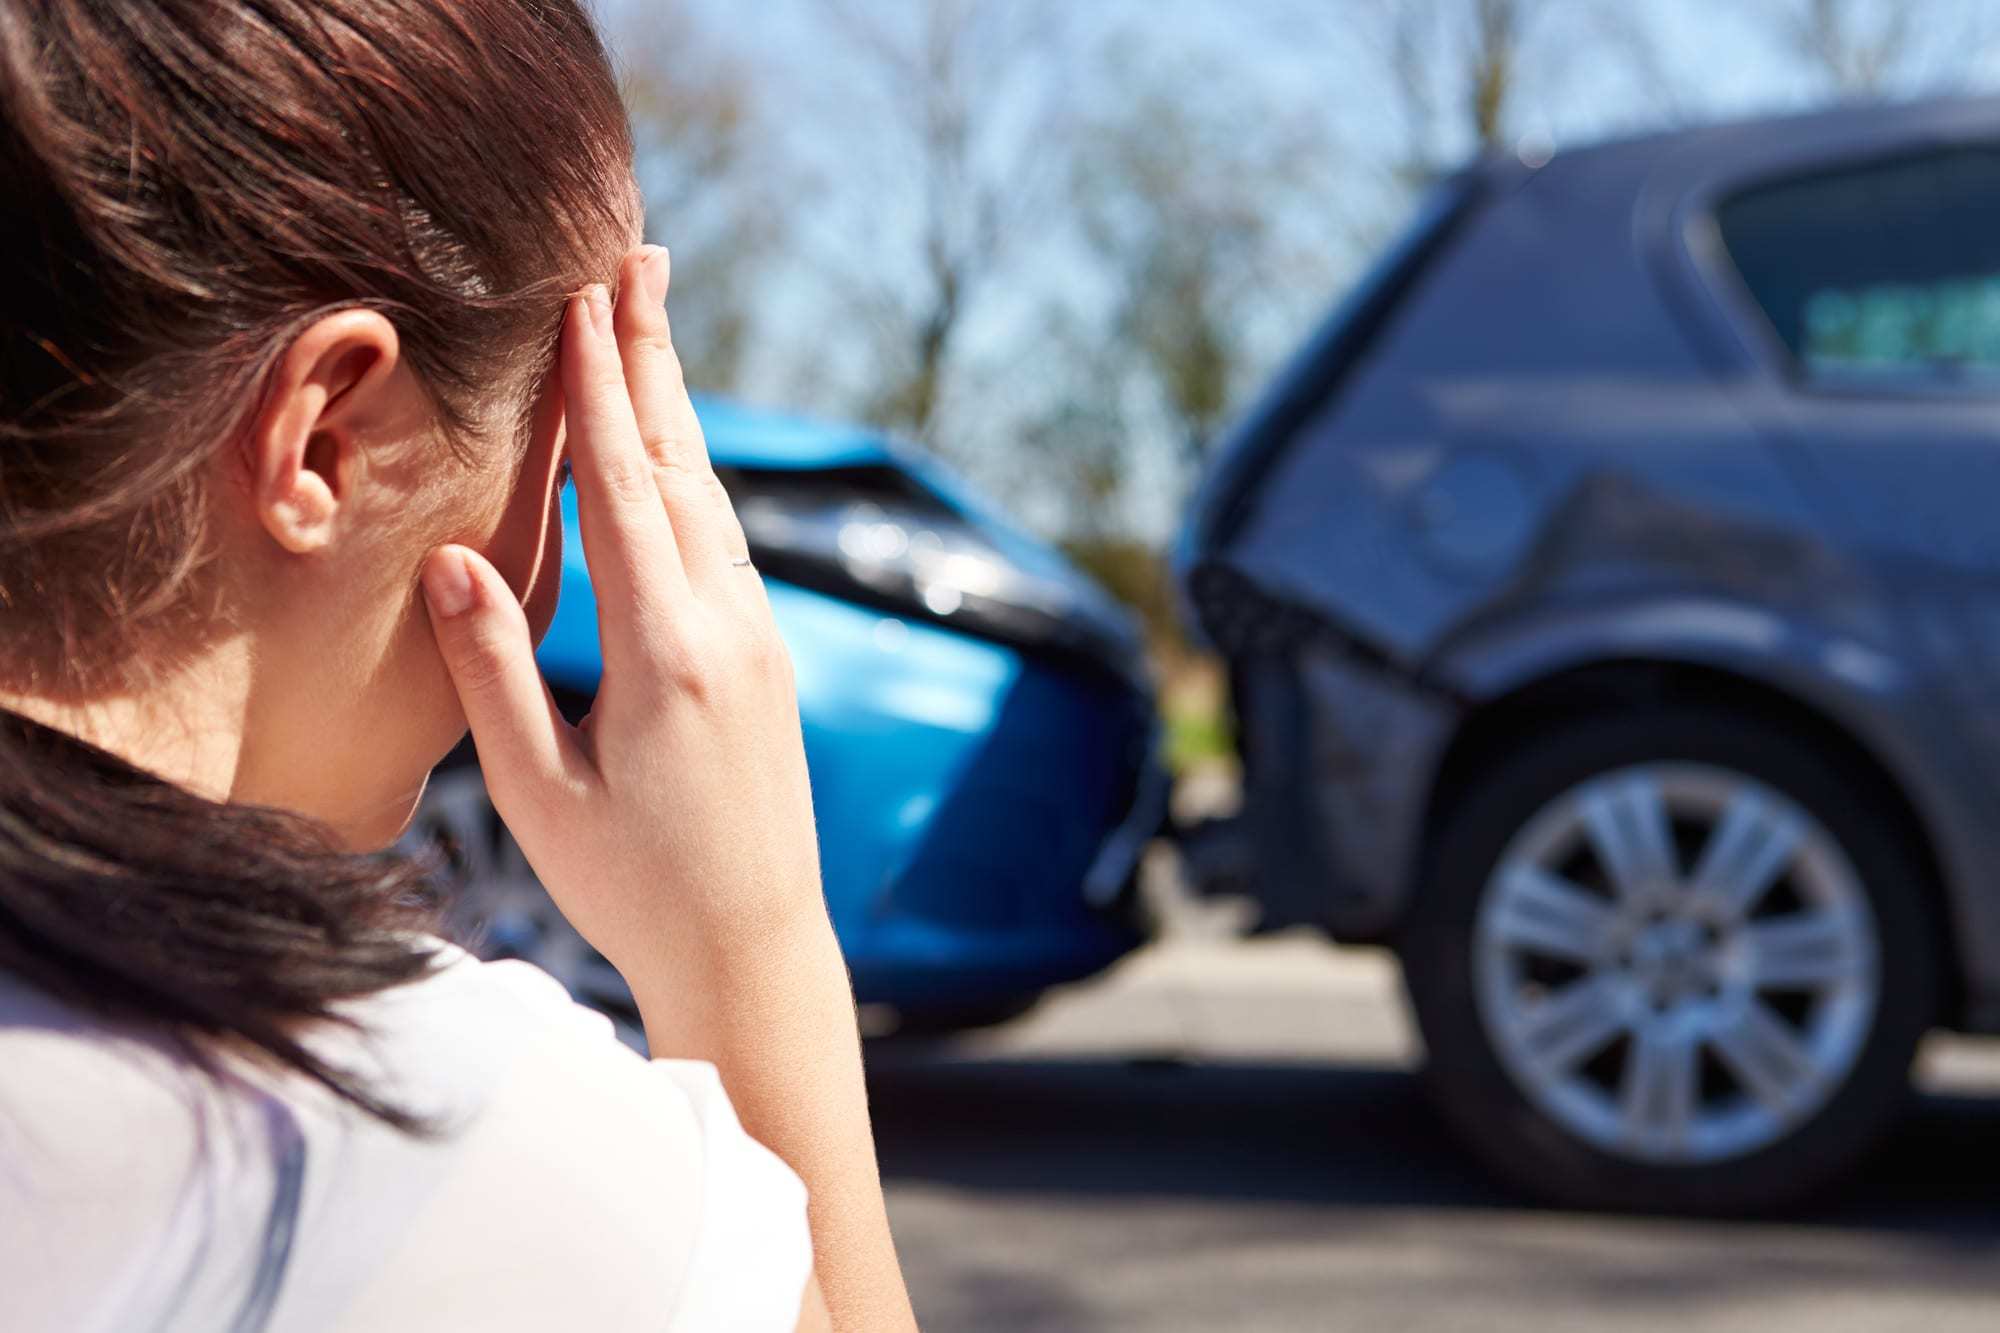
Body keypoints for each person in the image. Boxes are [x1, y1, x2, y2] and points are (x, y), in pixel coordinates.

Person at [0, 3, 919, 1330]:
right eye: (567, 454)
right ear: (326, 442)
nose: (564, 578)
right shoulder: (431, 1147)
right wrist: (751, 943)